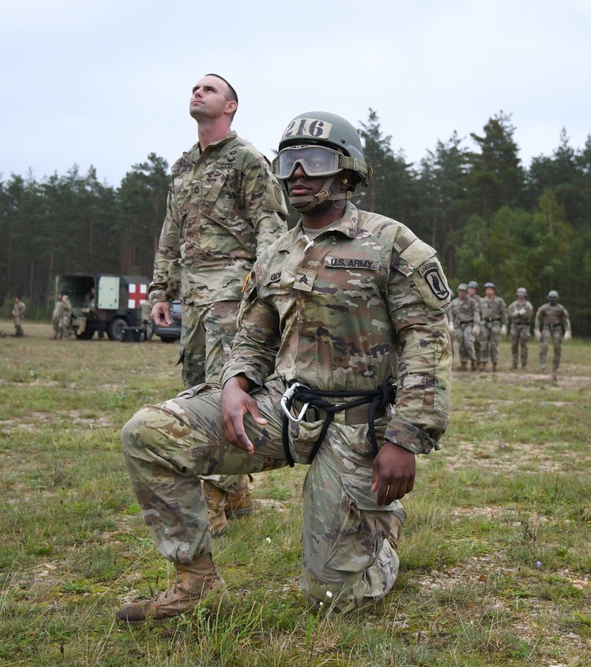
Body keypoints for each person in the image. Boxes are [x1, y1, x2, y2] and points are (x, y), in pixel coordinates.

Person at [117, 111, 451, 624]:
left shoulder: (392, 244)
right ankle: (196, 582)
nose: (297, 174)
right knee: (148, 433)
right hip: (285, 411)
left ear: (347, 174)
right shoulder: (275, 253)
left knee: (334, 600)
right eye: (289, 162)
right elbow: (254, 336)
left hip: (358, 428)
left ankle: (380, 538)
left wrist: (404, 439)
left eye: (313, 162)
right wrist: (234, 383)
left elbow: (426, 346)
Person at [147, 73, 289, 536]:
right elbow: (172, 231)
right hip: (192, 294)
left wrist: (263, 283)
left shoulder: (246, 158)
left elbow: (270, 222)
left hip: (232, 291)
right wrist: (160, 290)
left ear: (230, 107)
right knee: (194, 387)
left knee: (222, 390)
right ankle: (238, 489)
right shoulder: (183, 165)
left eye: (209, 89)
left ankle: (212, 498)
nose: (197, 92)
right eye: (194, 87)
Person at [535, 290, 571, 381]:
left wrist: (568, 330)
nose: (552, 300)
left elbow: (566, 320)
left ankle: (555, 366)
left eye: (554, 299)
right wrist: (537, 330)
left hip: (557, 328)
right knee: (544, 346)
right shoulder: (544, 307)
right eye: (551, 298)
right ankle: (542, 365)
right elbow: (538, 318)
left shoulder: (560, 308)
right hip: (546, 327)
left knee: (557, 347)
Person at [477, 282, 507, 371]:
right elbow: (478, 313)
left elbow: (503, 313)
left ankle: (494, 363)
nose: (489, 291)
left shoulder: (499, 301)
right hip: (484, 324)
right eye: (487, 289)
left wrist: (504, 325)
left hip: (495, 323)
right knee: (483, 345)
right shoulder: (481, 301)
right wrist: (477, 324)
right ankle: (483, 363)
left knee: (494, 345)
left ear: (494, 291)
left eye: (491, 289)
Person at [450, 282, 480, 371]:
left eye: (463, 291)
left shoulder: (471, 302)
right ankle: (463, 363)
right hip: (458, 325)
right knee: (461, 345)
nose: (461, 293)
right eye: (460, 291)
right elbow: (451, 314)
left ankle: (473, 360)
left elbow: (476, 313)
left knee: (468, 342)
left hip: (468, 324)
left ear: (466, 292)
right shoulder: (454, 302)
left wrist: (476, 325)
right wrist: (450, 323)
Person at [507, 287, 534, 369]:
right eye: (519, 293)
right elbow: (509, 313)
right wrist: (514, 314)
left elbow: (529, 315)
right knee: (514, 345)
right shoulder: (513, 304)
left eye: (522, 293)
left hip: (524, 326)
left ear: (525, 295)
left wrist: (522, 314)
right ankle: (514, 364)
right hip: (515, 325)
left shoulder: (528, 305)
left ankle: (524, 364)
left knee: (524, 345)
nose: (520, 295)